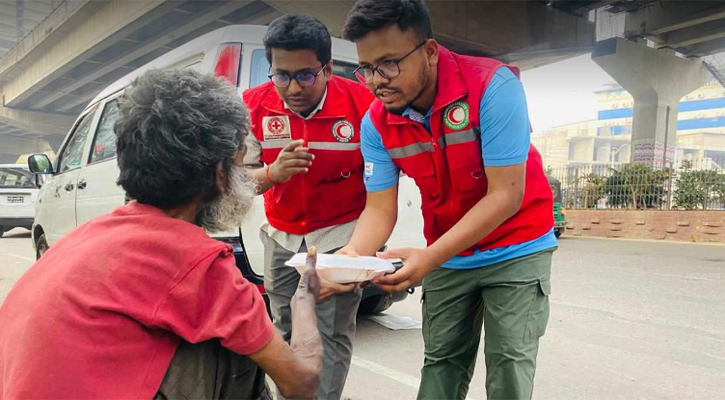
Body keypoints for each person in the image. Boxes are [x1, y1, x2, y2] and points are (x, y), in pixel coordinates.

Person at [0, 69, 324, 400]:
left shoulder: (86, 237)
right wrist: (304, 300)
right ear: (219, 175)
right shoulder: (199, 265)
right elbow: (301, 382)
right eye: (240, 163)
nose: (246, 174)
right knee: (235, 341)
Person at [339, 1, 557, 399]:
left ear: (430, 51)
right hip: (449, 251)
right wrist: (351, 257)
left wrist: (429, 258)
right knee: (441, 363)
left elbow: (506, 195)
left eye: (388, 64)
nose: (375, 81)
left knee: (509, 366)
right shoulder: (376, 121)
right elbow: (379, 208)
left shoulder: (494, 88)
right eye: (367, 68)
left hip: (517, 245)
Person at [242, 14, 375, 400]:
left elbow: (382, 183)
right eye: (281, 75)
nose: (292, 87)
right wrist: (271, 173)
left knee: (331, 331)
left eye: (305, 75)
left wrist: (362, 251)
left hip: (339, 233)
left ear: (328, 69)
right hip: (281, 236)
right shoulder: (253, 106)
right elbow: (236, 182)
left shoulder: (362, 105)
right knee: (283, 326)